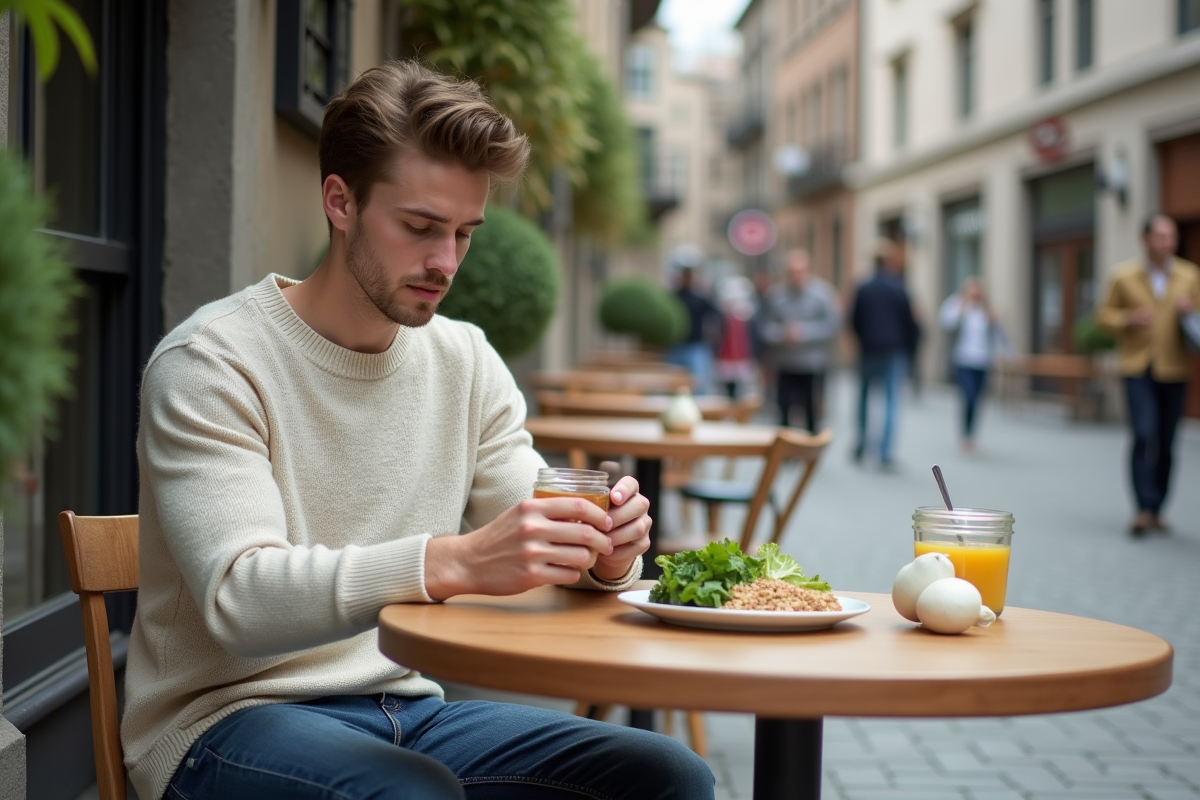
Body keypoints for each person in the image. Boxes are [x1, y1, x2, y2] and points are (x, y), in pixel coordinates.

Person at [124, 61, 714, 800]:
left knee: (666, 776)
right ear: (339, 201)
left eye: (465, 233)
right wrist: (451, 562)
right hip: (224, 723)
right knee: (413, 795)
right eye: (420, 228)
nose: (446, 262)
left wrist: (603, 552)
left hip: (407, 709)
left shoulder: (464, 358)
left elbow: (526, 527)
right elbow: (242, 600)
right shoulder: (213, 361)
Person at [1096, 214, 1200, 537]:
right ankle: (1142, 508)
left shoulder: (1190, 274)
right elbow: (1103, 317)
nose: (1168, 242)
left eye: (1172, 237)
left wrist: (1189, 312)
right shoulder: (1124, 276)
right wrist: (1128, 319)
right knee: (1143, 434)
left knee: (1167, 440)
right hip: (1137, 366)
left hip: (1174, 366)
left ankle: (1158, 509)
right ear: (1146, 240)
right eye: (1161, 236)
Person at [849, 239, 920, 468]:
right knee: (891, 400)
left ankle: (861, 443)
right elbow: (909, 322)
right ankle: (885, 452)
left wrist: (862, 340)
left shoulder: (863, 287)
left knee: (863, 398)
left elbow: (853, 319)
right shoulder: (899, 287)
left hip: (869, 349)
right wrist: (909, 349)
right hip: (893, 350)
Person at [756, 250, 841, 432]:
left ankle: (810, 450)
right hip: (785, 363)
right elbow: (764, 327)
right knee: (783, 410)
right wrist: (782, 334)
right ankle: (785, 451)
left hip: (811, 363)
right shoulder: (776, 296)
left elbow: (832, 325)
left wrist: (804, 333)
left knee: (811, 410)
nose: (796, 277)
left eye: (799, 272)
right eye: (792, 272)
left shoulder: (822, 294)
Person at [939, 277, 1004, 452]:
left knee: (976, 399)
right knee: (967, 397)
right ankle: (965, 435)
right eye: (972, 291)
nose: (975, 295)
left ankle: (971, 435)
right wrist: (962, 306)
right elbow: (946, 322)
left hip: (982, 361)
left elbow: (998, 334)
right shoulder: (957, 304)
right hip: (963, 360)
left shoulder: (986, 310)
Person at [667, 264, 723, 394]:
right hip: (676, 346)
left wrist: (715, 332)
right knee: (674, 384)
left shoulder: (699, 298)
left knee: (699, 385)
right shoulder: (673, 298)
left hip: (696, 346)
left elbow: (717, 314)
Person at [713, 275, 757, 399]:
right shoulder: (722, 317)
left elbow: (753, 338)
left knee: (744, 391)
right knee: (726, 389)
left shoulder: (747, 319)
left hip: (744, 357)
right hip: (726, 357)